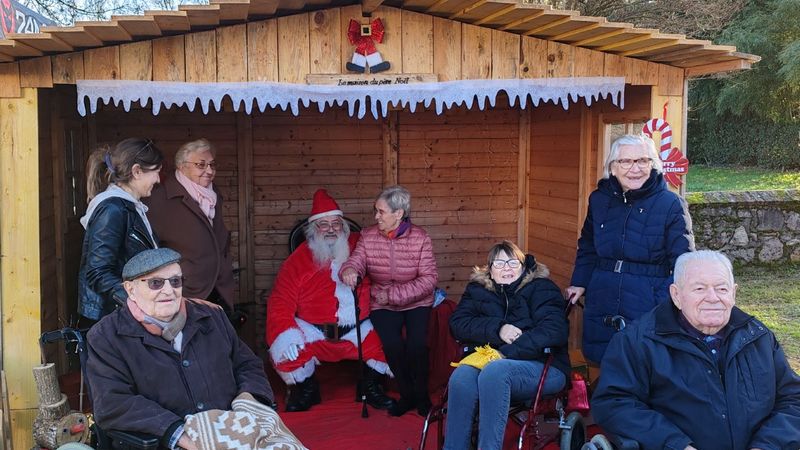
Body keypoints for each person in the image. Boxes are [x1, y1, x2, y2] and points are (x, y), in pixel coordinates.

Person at [86, 248, 304, 450]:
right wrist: (176, 433)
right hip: (167, 442)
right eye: (156, 283)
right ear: (130, 289)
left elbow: (247, 364)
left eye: (175, 281)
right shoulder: (106, 336)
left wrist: (249, 402)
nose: (168, 291)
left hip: (235, 428)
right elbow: (113, 402)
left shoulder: (211, 315)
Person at [592, 250, 800, 450]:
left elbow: (793, 399)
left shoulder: (758, 337)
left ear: (734, 293)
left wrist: (768, 445)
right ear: (676, 295)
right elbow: (614, 403)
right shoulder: (638, 342)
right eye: (699, 289)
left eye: (722, 288)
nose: (712, 297)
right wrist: (675, 445)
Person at [565, 134, 694, 364]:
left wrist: (664, 299)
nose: (634, 169)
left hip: (648, 298)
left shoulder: (670, 204)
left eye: (642, 161)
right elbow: (587, 245)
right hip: (603, 293)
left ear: (653, 165)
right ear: (613, 167)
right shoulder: (599, 200)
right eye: (626, 161)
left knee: (644, 363)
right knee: (603, 361)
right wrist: (580, 282)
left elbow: (683, 262)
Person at [266, 189, 395, 412]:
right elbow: (281, 300)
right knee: (286, 351)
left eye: (336, 223)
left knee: (393, 340)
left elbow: (390, 243)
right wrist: (285, 333)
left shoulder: (361, 245)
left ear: (343, 226)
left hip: (359, 326)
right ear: (313, 229)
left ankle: (370, 386)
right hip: (313, 331)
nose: (331, 229)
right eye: (323, 224)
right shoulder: (299, 259)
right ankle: (307, 388)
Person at [443, 241, 569, 450]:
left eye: (512, 262)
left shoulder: (541, 288)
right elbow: (458, 324)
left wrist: (506, 353)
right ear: (490, 270)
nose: (507, 268)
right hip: (491, 361)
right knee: (462, 376)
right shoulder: (478, 290)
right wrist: (498, 329)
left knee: (495, 372)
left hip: (544, 365)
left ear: (523, 266)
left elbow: (553, 330)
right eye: (499, 264)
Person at [340, 185, 438, 417]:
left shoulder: (421, 238)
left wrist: (394, 295)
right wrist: (349, 270)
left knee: (416, 347)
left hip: (417, 301)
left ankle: (422, 395)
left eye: (381, 212)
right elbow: (357, 260)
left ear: (399, 214)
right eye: (376, 211)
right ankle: (407, 395)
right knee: (393, 346)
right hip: (382, 303)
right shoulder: (368, 235)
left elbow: (429, 279)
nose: (376, 216)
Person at [78, 138, 164, 323]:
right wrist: (136, 302)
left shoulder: (130, 207)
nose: (158, 179)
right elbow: (97, 272)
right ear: (137, 171)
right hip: (111, 318)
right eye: (156, 172)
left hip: (125, 314)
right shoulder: (112, 210)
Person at [146, 138, 236, 313]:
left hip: (219, 289)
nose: (209, 171)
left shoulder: (213, 193)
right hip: (185, 293)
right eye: (201, 165)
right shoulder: (160, 198)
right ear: (182, 166)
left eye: (212, 165)